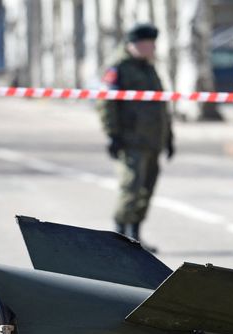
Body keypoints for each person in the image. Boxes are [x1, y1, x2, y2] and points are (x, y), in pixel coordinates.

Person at [97, 22, 174, 253]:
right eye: (148, 45)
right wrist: (112, 135)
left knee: (146, 189)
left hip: (152, 141)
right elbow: (106, 104)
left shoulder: (148, 68)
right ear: (135, 44)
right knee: (130, 188)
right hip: (131, 141)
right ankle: (119, 235)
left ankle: (135, 236)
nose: (152, 49)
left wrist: (169, 137)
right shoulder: (119, 67)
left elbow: (161, 107)